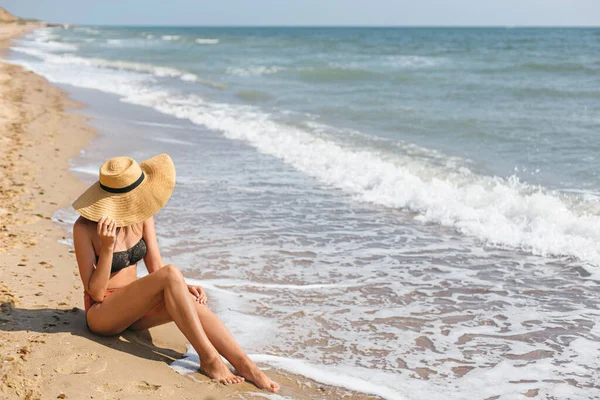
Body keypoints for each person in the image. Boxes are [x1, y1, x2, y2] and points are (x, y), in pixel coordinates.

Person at [72, 153, 279, 393]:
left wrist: (181, 286)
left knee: (191, 300)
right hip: (103, 314)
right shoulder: (84, 228)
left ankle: (246, 365)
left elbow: (156, 268)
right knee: (172, 273)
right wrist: (107, 249)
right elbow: (95, 293)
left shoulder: (142, 214)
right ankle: (209, 359)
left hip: (136, 310)